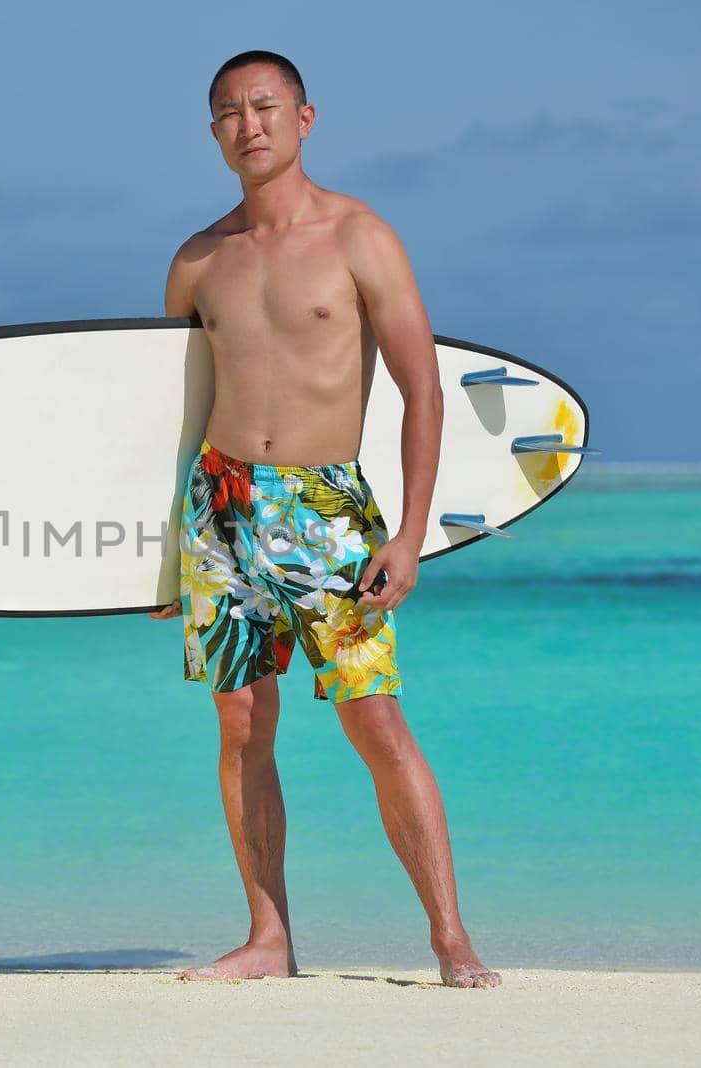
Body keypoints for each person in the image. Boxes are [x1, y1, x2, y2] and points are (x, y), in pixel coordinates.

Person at [147, 49, 502, 989]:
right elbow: (166, 418)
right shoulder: (196, 260)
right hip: (218, 508)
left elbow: (423, 391)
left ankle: (450, 936)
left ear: (305, 118)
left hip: (326, 507)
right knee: (239, 725)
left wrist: (409, 535)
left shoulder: (360, 238)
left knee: (374, 719)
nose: (247, 123)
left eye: (265, 106)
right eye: (227, 111)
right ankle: (269, 939)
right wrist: (154, 560)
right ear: (213, 131)